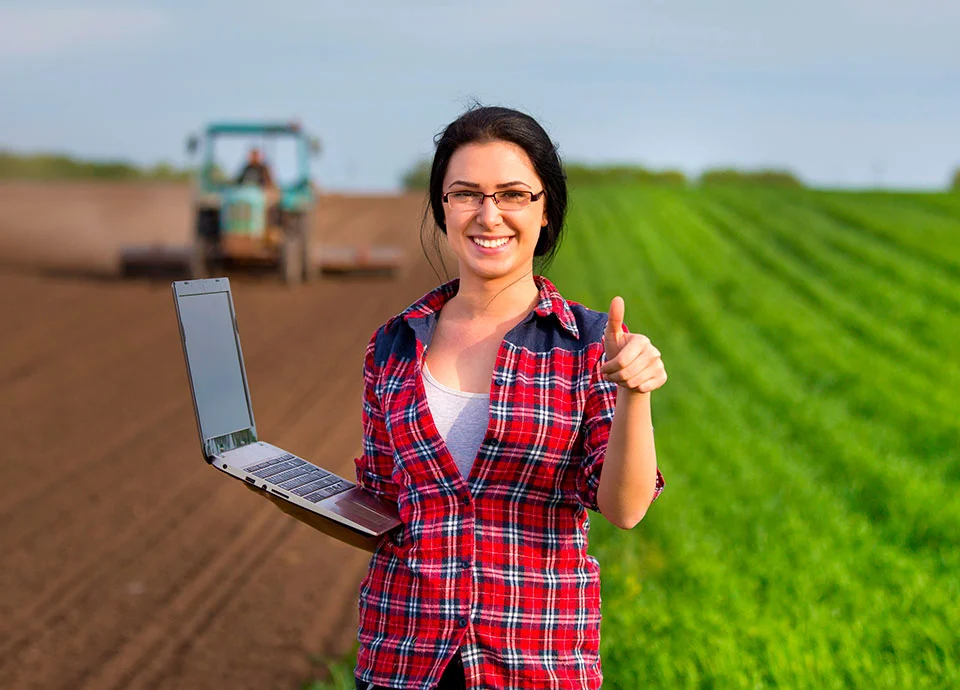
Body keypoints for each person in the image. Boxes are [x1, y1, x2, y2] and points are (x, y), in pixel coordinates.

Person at [349, 105, 667, 690]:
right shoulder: (392, 344)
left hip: (533, 662)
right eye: (466, 193)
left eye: (513, 194)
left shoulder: (588, 345)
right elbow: (382, 504)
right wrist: (296, 494)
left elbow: (625, 509)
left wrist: (634, 394)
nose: (488, 215)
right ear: (442, 208)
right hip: (402, 659)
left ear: (546, 210)